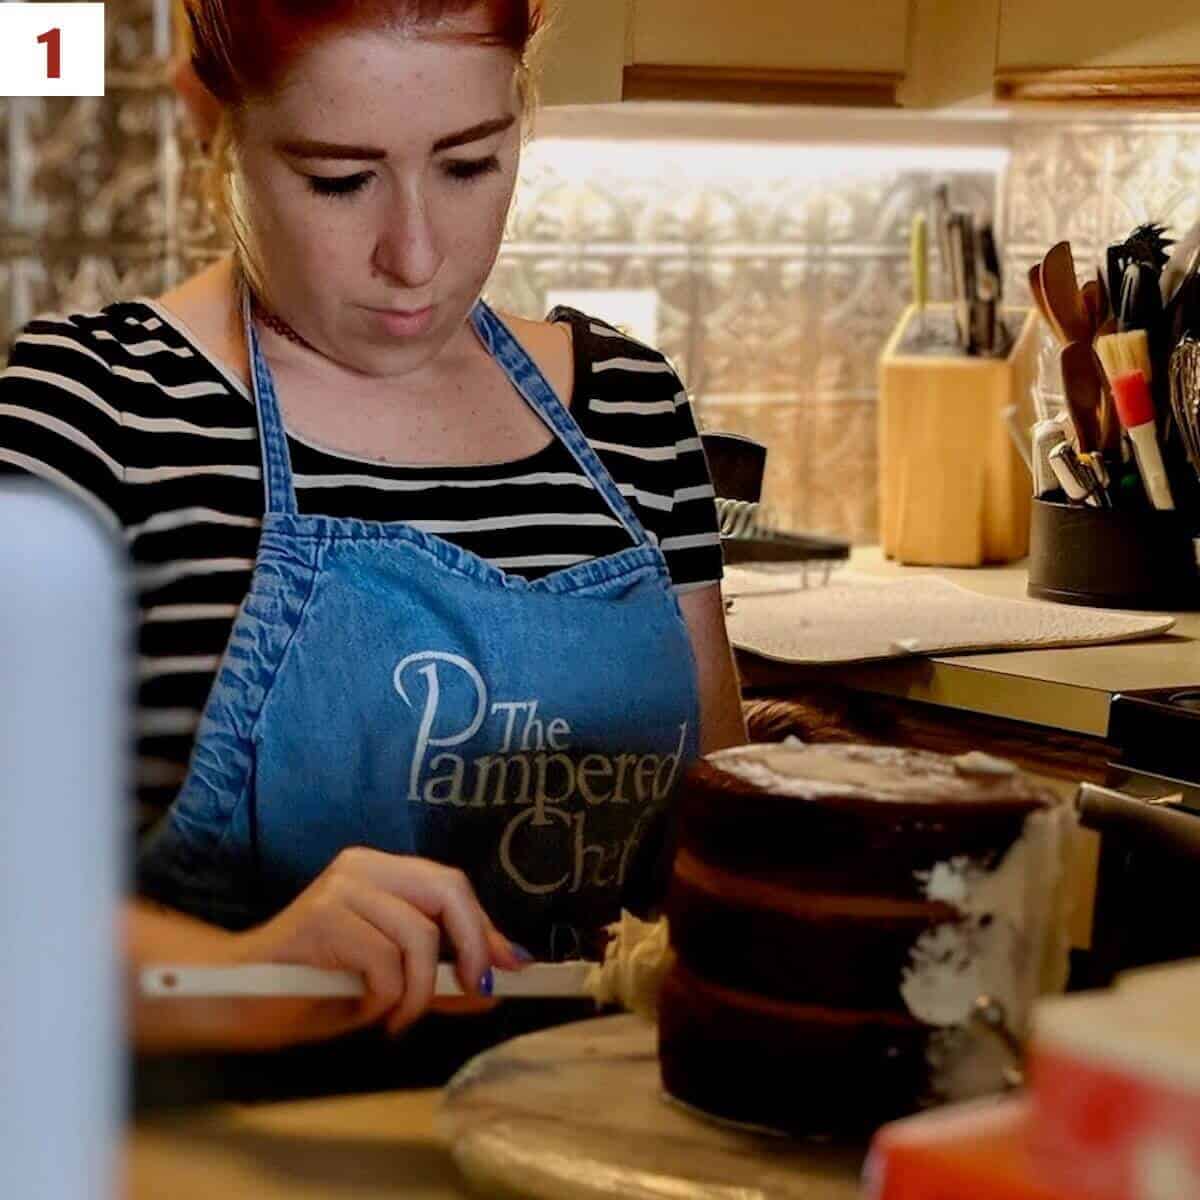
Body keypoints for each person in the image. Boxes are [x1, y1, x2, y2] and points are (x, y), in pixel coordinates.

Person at [0, 0, 746, 1051]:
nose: (415, 257)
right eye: (338, 180)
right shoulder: (97, 409)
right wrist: (248, 974)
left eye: (471, 164)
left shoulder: (631, 411)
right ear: (207, 120)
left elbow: (727, 848)